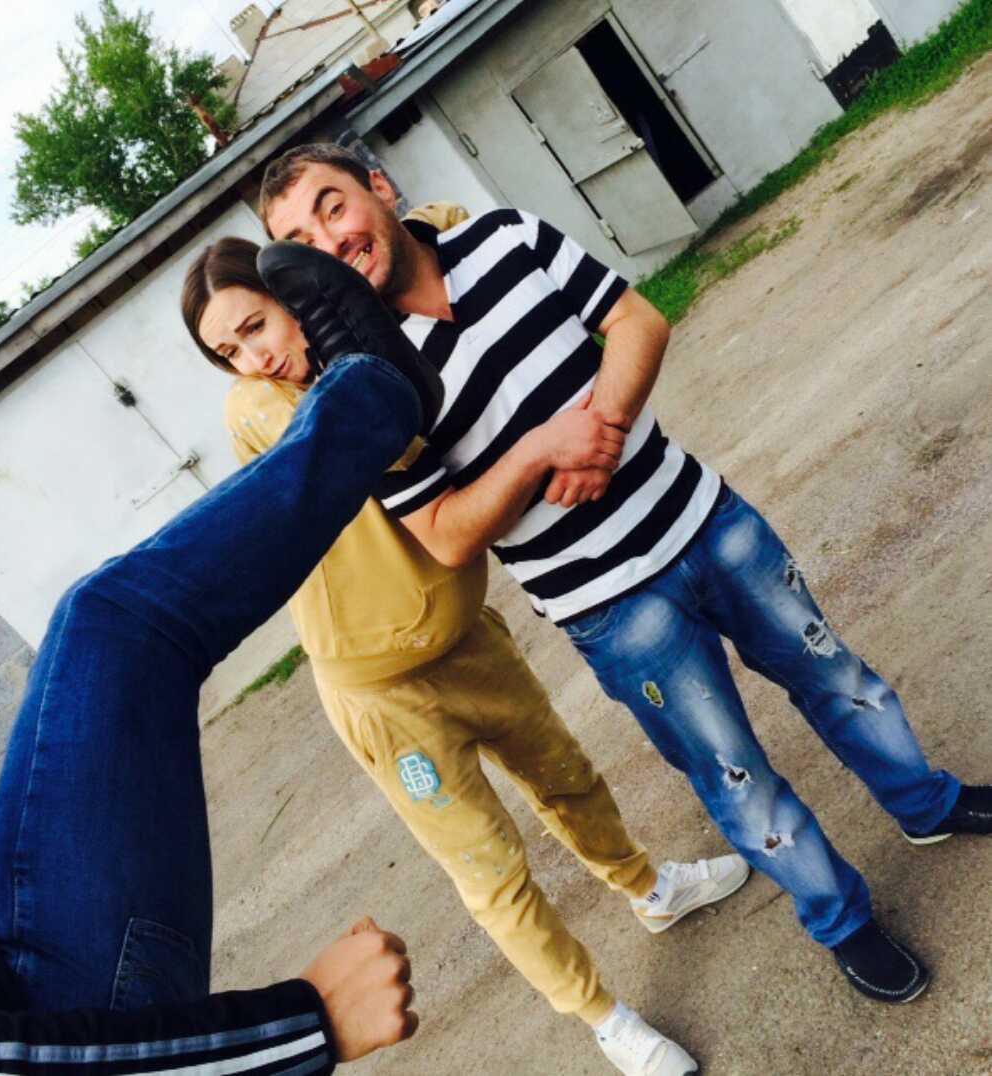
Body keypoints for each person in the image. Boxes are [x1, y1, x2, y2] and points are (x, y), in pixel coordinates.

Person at [257, 142, 992, 1009]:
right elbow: (445, 535)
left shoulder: (506, 236)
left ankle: (925, 804)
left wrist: (599, 431)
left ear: (379, 188)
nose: (329, 241)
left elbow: (637, 321)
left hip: (710, 521)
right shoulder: (367, 387)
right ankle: (842, 920)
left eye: (333, 206)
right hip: (610, 609)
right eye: (300, 240)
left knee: (837, 675)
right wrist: (540, 451)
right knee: (733, 772)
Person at [180, 221, 747, 1076]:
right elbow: (315, 432)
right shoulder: (263, 409)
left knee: (566, 775)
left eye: (255, 326)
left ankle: (648, 889)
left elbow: (427, 254)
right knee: (491, 867)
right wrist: (328, 358)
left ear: (295, 296)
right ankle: (604, 1019)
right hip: (382, 695)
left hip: (464, 637)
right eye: (227, 351)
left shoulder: (375, 365)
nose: (252, 357)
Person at [0, 299, 436, 1075]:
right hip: (40, 1014)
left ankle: (377, 397)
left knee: (103, 622)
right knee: (117, 623)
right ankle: (379, 394)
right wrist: (304, 1027)